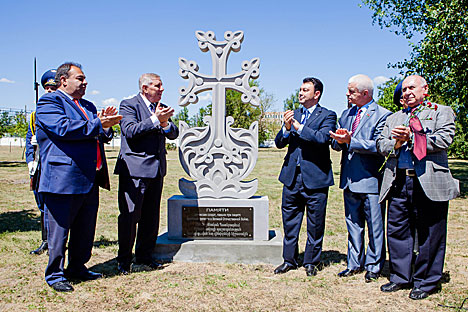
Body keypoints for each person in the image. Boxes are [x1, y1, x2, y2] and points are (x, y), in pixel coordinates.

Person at [35, 62, 122, 292]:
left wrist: (106, 125)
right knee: (59, 231)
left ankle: (77, 267)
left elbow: (99, 133)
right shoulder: (49, 102)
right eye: (80, 78)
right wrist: (97, 124)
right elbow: (63, 128)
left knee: (85, 228)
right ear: (63, 80)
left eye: (85, 79)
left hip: (89, 177)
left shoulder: (88, 105)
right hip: (62, 178)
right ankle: (55, 274)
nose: (85, 83)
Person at [377, 75, 459, 300]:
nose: (406, 92)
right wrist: (397, 143)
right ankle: (401, 277)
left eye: (411, 88)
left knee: (431, 232)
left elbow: (444, 139)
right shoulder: (393, 118)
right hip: (399, 181)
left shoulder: (441, 111)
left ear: (425, 90)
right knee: (397, 230)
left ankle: (426, 281)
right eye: (403, 90)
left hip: (429, 180)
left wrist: (413, 137)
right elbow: (381, 144)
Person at [114, 73, 178, 274]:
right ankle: (124, 260)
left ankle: (145, 256)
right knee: (130, 216)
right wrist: (155, 120)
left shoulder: (161, 107)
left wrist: (165, 123)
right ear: (144, 88)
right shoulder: (128, 105)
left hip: (156, 171)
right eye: (157, 86)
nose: (161, 89)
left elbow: (174, 133)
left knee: (151, 217)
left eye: (162, 86)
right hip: (134, 170)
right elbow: (130, 130)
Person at [329, 74, 391, 282]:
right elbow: (340, 145)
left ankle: (374, 265)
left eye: (352, 91)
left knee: (375, 226)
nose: (348, 94)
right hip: (349, 179)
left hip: (370, 179)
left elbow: (380, 146)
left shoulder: (383, 115)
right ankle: (354, 263)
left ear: (365, 93)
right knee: (353, 224)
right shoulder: (346, 114)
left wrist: (351, 140)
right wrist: (338, 140)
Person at [273, 77, 337, 276]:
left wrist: (298, 127)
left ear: (316, 94)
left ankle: (311, 262)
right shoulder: (294, 114)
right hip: (292, 177)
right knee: (290, 221)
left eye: (305, 90)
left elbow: (322, 138)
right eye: (300, 89)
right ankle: (289, 260)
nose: (300, 93)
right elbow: (279, 143)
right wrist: (286, 128)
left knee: (315, 223)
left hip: (316, 178)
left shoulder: (328, 115)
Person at [26, 69, 57, 255]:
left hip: (53, 164)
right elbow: (30, 139)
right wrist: (30, 161)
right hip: (39, 164)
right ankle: (45, 240)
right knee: (42, 204)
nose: (50, 91)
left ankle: (57, 240)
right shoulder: (34, 115)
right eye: (47, 88)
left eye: (53, 88)